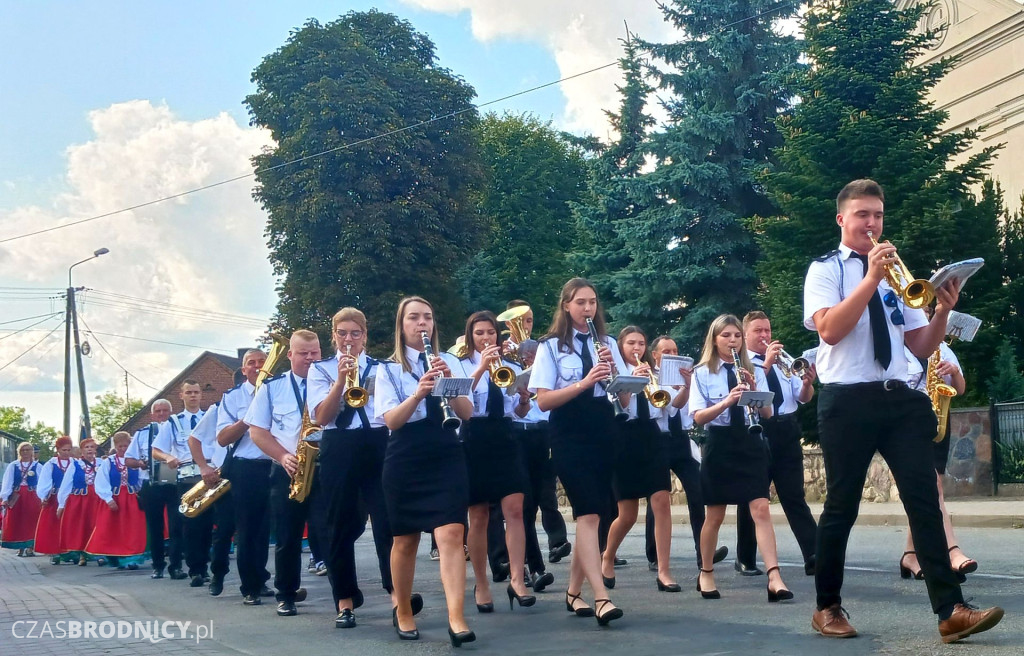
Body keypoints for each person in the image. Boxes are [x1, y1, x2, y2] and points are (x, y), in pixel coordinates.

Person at [804, 178, 1002, 642]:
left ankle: (951, 610)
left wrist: (940, 314)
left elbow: (918, 346)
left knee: (924, 501)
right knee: (841, 506)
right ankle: (827, 606)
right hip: (846, 399)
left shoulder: (898, 275)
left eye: (877, 215)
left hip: (901, 397)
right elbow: (830, 330)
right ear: (842, 219)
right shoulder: (826, 269)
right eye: (861, 215)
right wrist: (870, 277)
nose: (871, 224)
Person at [375, 296, 474, 646]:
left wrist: (448, 380)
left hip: (446, 451)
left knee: (451, 533)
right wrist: (418, 393)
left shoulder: (450, 360)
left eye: (428, 318)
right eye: (414, 318)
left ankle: (456, 617)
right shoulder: (387, 369)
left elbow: (466, 412)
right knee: (405, 540)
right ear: (401, 326)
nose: (422, 324)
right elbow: (391, 420)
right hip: (405, 456)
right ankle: (403, 610)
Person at [529, 277, 628, 626]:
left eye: (592, 302)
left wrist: (615, 373)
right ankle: (601, 596)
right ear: (566, 306)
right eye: (580, 302)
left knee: (596, 514)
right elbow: (542, 400)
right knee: (587, 514)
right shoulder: (551, 347)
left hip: (604, 429)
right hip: (569, 432)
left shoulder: (609, 343)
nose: (588, 308)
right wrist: (585, 381)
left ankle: (573, 592)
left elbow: (626, 398)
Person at [308, 307, 403, 629]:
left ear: (365, 336)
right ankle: (345, 599)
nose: (349, 340)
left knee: (387, 521)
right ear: (333, 336)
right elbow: (321, 417)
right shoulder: (320, 369)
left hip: (378, 442)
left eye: (355, 334)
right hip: (339, 445)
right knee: (339, 523)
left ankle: (396, 595)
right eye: (343, 334)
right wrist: (339, 380)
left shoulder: (383, 368)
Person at [688, 314, 792, 603]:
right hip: (720, 444)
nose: (732, 340)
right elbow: (697, 417)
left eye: (736, 335)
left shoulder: (752, 368)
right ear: (715, 339)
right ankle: (706, 571)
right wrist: (727, 401)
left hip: (750, 441)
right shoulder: (701, 373)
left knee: (760, 508)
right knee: (715, 514)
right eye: (726, 336)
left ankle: (774, 576)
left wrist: (754, 390)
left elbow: (768, 414)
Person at [454, 311, 534, 613]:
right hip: (474, 435)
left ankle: (517, 579)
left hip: (505, 435)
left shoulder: (510, 366)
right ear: (471, 336)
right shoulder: (460, 364)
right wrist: (481, 368)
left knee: (514, 508)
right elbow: (460, 400)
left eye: (490, 333)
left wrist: (524, 398)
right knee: (479, 515)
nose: (486, 338)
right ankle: (482, 582)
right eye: (479, 334)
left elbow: (520, 412)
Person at [734, 312, 819, 577]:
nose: (764, 336)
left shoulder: (785, 362)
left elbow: (802, 398)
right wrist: (765, 365)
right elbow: (752, 394)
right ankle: (745, 557)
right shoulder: (742, 364)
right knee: (754, 497)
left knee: (794, 495)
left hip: (786, 429)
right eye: (758, 331)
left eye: (767, 330)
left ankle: (814, 554)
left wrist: (807, 383)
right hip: (757, 430)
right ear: (746, 334)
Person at [245, 330, 322, 617]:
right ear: (290, 355)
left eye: (315, 352)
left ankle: (344, 596)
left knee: (330, 531)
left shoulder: (328, 381)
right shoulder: (272, 388)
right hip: (288, 470)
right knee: (288, 537)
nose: (310, 358)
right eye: (303, 353)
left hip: (324, 467)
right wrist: (283, 456)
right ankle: (286, 594)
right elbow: (257, 430)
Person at [601, 326, 678, 592]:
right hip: (624, 438)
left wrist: (685, 385)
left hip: (652, 436)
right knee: (628, 514)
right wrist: (632, 381)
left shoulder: (654, 373)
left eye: (641, 343)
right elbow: (619, 404)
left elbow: (671, 404)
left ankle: (664, 571)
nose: (637, 348)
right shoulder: (613, 371)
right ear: (620, 346)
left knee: (661, 502)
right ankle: (608, 555)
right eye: (631, 343)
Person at [899, 306, 973, 580]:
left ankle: (909, 554)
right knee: (934, 486)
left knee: (926, 490)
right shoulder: (900, 346)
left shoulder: (943, 348)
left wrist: (953, 371)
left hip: (939, 418)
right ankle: (952, 550)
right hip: (911, 421)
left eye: (928, 311)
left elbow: (961, 388)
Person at [644, 336, 728, 573]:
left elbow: (690, 409)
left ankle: (703, 553)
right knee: (657, 498)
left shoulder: (686, 377)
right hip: (658, 439)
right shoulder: (650, 376)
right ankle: (653, 554)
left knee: (698, 491)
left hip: (680, 438)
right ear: (656, 355)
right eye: (666, 351)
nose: (672, 353)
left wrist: (688, 385)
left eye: (675, 350)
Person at [217, 348, 276, 606]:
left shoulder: (278, 390)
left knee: (266, 529)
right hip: (246, 467)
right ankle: (249, 586)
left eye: (261, 362)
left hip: (274, 463)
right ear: (243, 371)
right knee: (247, 528)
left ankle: (262, 579)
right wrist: (249, 416)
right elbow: (222, 439)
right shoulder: (232, 397)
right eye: (251, 363)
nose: (257, 366)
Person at [124, 399, 186, 580]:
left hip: (175, 482)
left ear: (171, 412)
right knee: (155, 527)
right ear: (152, 414)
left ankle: (176, 566)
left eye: (165, 411)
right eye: (158, 411)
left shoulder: (179, 429)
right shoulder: (142, 434)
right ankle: (158, 566)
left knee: (176, 525)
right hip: (150, 485)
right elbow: (128, 460)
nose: (161, 414)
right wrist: (141, 463)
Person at [187, 402, 235, 596]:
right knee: (224, 530)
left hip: (256, 471)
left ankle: (257, 579)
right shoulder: (220, 407)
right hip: (225, 473)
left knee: (257, 531)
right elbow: (194, 439)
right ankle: (218, 574)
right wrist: (203, 467)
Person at [86, 431, 146, 566]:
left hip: (131, 499)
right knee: (112, 528)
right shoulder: (109, 462)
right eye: (120, 446)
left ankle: (132, 558)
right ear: (116, 446)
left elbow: (141, 479)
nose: (123, 449)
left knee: (132, 528)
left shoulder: (136, 461)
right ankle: (115, 556)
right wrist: (108, 498)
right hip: (115, 498)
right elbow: (101, 481)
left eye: (126, 446)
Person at [56, 437, 102, 565]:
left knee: (96, 525)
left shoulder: (101, 463)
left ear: (95, 449)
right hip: (80, 500)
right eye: (87, 447)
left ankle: (99, 554)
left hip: (97, 499)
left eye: (92, 447)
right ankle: (82, 554)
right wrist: (61, 504)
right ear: (82, 451)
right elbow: (66, 484)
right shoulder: (75, 465)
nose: (89, 449)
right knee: (82, 527)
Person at [34, 436, 74, 562]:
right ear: (57, 450)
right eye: (64, 450)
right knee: (55, 525)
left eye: (68, 450)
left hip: (71, 498)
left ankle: (71, 550)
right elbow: (44, 481)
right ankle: (55, 552)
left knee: (70, 524)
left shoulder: (75, 462)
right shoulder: (50, 464)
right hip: (55, 498)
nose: (66, 453)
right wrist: (43, 496)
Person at [1, 442, 43, 556]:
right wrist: (5, 497)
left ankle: (30, 547)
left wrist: (42, 497)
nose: (25, 452)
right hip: (17, 496)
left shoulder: (38, 466)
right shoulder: (13, 465)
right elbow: (7, 481)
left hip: (32, 495)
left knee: (32, 520)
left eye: (28, 450)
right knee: (17, 521)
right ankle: (20, 546)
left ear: (32, 452)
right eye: (23, 450)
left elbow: (42, 482)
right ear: (19, 452)